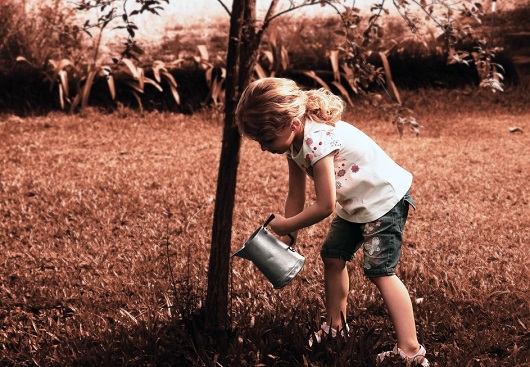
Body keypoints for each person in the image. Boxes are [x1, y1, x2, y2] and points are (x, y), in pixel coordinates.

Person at [235, 77, 429, 366]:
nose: (264, 147)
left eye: (267, 139)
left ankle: (411, 351)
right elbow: (296, 194)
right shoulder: (294, 141)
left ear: (293, 124)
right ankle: (335, 328)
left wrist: (287, 225)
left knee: (380, 271)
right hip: (355, 203)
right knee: (333, 257)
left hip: (382, 201)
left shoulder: (317, 140)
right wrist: (290, 233)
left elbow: (325, 205)